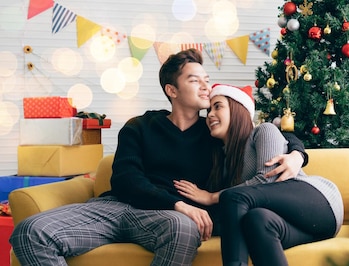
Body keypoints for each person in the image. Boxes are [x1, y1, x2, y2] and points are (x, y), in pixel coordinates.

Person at [9, 49, 308, 266]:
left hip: (168, 221)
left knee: (182, 228)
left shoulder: (216, 133)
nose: (206, 86)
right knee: (29, 232)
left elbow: (262, 135)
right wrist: (177, 203)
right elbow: (125, 179)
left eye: (207, 79)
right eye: (195, 80)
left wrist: (297, 153)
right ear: (171, 90)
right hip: (118, 207)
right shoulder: (140, 126)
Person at [174, 84, 344, 266]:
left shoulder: (263, 131)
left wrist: (212, 197)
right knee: (256, 221)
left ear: (238, 109)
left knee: (233, 197)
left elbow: (268, 179)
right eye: (208, 110)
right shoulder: (221, 160)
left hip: (320, 202)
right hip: (306, 227)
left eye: (218, 106)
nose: (210, 115)